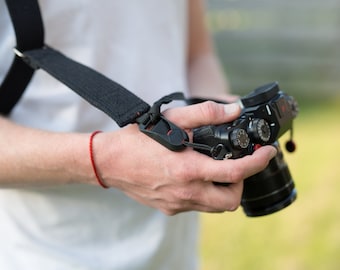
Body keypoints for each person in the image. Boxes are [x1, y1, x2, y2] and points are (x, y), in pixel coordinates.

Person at [0, 0, 276, 269]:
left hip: (175, 251)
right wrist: (105, 162)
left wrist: (220, 122)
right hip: (47, 253)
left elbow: (197, 54)